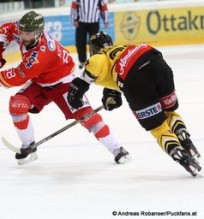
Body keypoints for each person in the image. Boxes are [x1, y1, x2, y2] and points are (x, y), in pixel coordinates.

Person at [0, 11, 130, 165]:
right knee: (17, 104)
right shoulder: (26, 32)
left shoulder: (41, 53)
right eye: (22, 32)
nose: (24, 36)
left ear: (38, 33)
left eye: (28, 34)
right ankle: (28, 145)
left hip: (64, 83)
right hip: (41, 81)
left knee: (88, 117)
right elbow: (7, 28)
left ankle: (117, 149)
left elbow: (19, 75)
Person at [67, 31, 201, 176]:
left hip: (135, 79)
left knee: (158, 128)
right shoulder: (122, 48)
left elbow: (97, 65)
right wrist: (112, 95)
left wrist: (77, 89)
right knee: (169, 112)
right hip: (157, 62)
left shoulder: (99, 57)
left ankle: (180, 155)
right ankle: (184, 137)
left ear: (93, 49)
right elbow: (114, 79)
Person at [70, 0, 109, 69]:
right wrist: (74, 19)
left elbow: (103, 7)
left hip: (94, 22)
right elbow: (74, 6)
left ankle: (93, 61)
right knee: (80, 42)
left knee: (94, 43)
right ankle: (82, 61)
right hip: (81, 22)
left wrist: (105, 20)